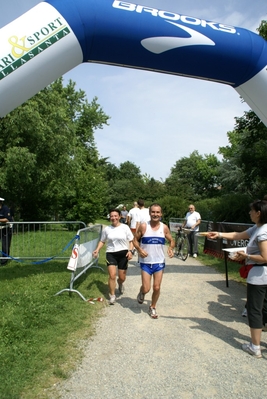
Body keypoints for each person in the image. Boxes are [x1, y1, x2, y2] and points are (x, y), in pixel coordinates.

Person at [208, 199, 267, 358]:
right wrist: (219, 234)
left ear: (258, 213)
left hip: (260, 275)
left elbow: (265, 257)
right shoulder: (258, 227)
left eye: (251, 210)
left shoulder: (263, 232)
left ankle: (255, 347)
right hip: (260, 274)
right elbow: (237, 235)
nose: (249, 213)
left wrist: (245, 255)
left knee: (254, 311)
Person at [133, 203, 175, 319]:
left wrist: (171, 248)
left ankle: (152, 306)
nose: (155, 214)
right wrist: (139, 249)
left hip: (159, 262)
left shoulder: (164, 227)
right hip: (146, 262)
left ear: (161, 214)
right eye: (153, 212)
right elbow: (134, 240)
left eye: (157, 212)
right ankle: (142, 293)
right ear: (149, 213)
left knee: (156, 287)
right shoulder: (143, 226)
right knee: (146, 288)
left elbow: (172, 240)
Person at [93, 208, 134, 304]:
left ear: (119, 216)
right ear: (109, 217)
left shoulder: (125, 227)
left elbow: (131, 240)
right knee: (112, 275)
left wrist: (130, 251)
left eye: (115, 216)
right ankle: (112, 295)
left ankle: (120, 283)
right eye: (112, 216)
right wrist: (97, 249)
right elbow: (102, 241)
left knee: (122, 277)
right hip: (111, 253)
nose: (113, 218)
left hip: (123, 254)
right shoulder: (107, 229)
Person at [0, 197, 13, 265]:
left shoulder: (5, 208)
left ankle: (4, 261)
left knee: (5, 245)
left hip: (6, 229)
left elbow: (7, 219)